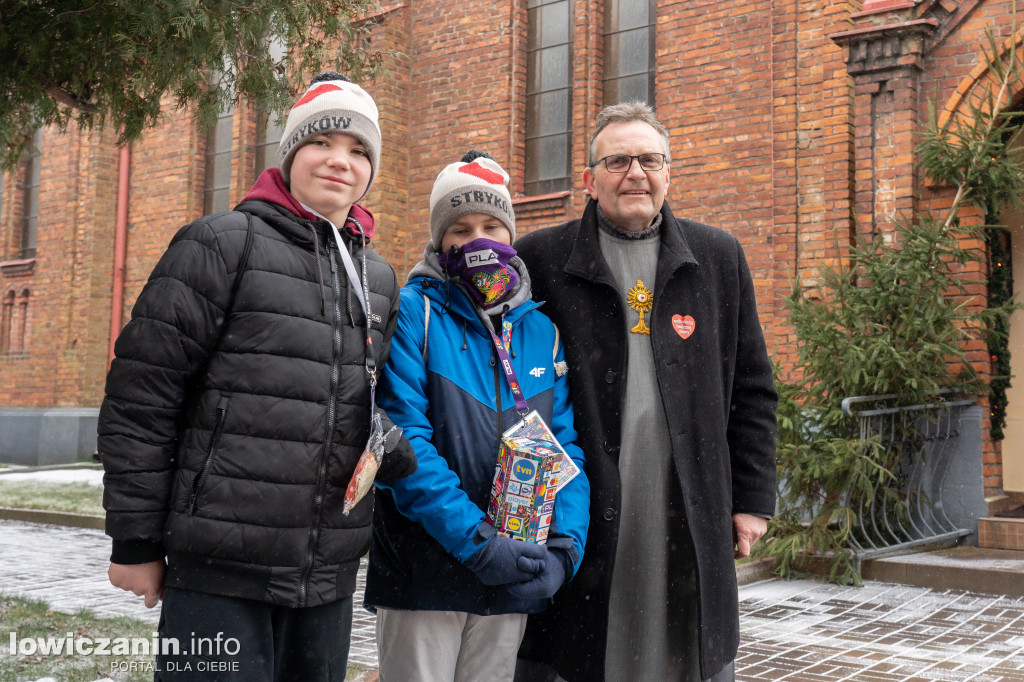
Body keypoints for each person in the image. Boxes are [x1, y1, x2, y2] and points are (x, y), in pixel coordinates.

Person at [97, 72, 417, 681]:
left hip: (325, 572)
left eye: (359, 151)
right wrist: (135, 542)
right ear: (292, 153)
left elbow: (355, 391)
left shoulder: (376, 275)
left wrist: (388, 442)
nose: (339, 162)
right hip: (222, 565)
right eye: (323, 143)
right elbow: (143, 397)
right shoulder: (220, 244)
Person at [513, 102, 778, 682]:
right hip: (581, 496)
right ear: (589, 180)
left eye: (650, 159)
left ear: (669, 173)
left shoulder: (718, 258)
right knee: (581, 646)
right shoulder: (541, 259)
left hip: (689, 493)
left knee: (684, 646)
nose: (636, 173)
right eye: (617, 161)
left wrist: (753, 499)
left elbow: (754, 389)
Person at [364, 151, 590, 682]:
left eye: (492, 225)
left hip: (513, 568)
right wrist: (476, 542)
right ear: (440, 240)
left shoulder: (540, 331)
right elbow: (404, 442)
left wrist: (564, 548)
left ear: (511, 235)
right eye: (460, 229)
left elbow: (565, 447)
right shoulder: (414, 313)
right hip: (424, 571)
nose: (477, 240)